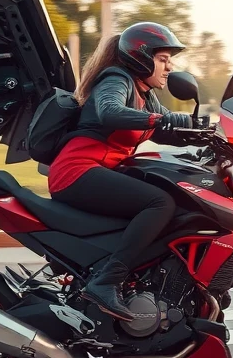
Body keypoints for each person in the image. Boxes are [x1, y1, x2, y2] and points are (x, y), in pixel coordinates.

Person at [47, 22, 193, 320]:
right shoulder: (116, 78)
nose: (168, 68)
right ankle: (106, 281)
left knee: (174, 192)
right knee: (159, 202)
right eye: (163, 59)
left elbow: (169, 129)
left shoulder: (145, 93)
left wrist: (210, 133)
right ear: (141, 57)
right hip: (76, 172)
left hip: (98, 172)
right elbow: (110, 111)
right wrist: (157, 120)